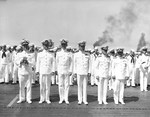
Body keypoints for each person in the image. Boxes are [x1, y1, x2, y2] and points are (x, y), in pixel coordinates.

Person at [36, 39, 55, 104]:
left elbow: (53, 63)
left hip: (48, 71)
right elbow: (38, 63)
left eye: (47, 45)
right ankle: (42, 98)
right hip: (42, 71)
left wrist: (53, 70)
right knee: (42, 86)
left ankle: (47, 98)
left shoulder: (51, 54)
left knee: (48, 86)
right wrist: (37, 71)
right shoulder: (39, 54)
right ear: (43, 46)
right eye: (44, 45)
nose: (46, 46)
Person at [74, 41, 91, 105]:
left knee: (85, 87)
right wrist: (75, 72)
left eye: (83, 46)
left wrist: (89, 71)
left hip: (85, 72)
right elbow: (75, 64)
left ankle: (85, 100)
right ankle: (80, 100)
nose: (82, 47)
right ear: (79, 47)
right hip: (79, 72)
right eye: (81, 46)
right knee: (79, 86)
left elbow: (90, 64)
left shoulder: (87, 54)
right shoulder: (76, 54)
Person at [56, 39, 72, 104]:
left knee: (67, 85)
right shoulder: (58, 53)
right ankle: (61, 98)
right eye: (62, 45)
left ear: (66, 45)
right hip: (60, 70)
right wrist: (56, 70)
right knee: (60, 85)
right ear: (61, 45)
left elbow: (71, 62)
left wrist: (70, 70)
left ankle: (66, 98)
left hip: (67, 70)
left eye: (65, 45)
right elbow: (57, 62)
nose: (64, 46)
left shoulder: (69, 53)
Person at [17, 39, 33, 104]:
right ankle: (22, 98)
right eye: (24, 45)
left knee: (29, 86)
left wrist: (28, 62)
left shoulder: (31, 54)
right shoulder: (19, 54)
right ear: (22, 46)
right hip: (21, 71)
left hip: (28, 72)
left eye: (26, 45)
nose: (25, 47)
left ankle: (28, 98)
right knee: (21, 86)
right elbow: (16, 61)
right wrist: (20, 62)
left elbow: (33, 63)